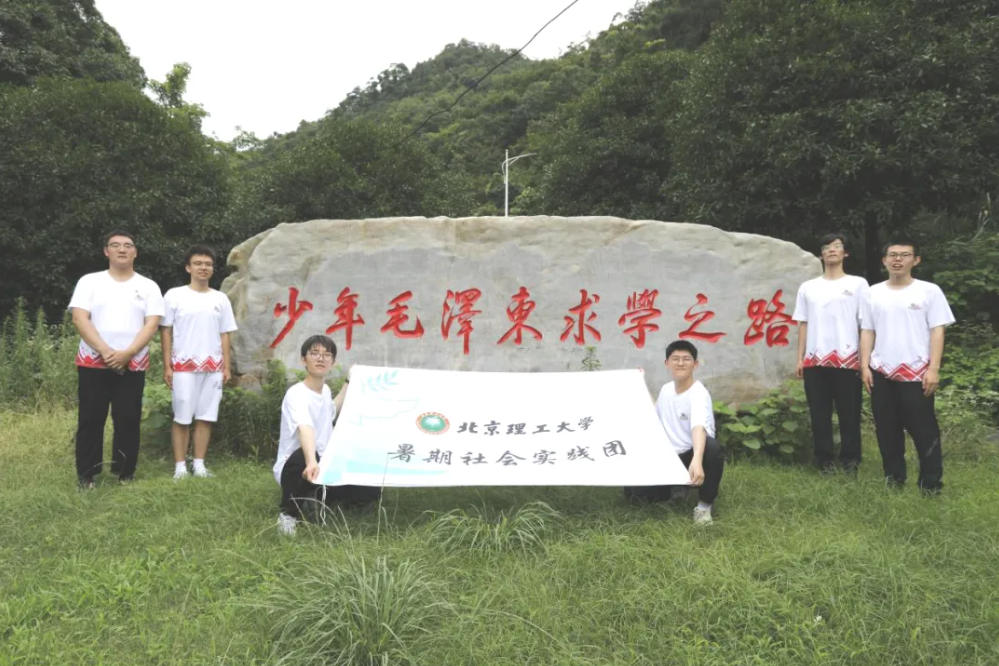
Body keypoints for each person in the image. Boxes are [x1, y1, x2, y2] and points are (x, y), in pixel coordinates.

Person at [69, 230, 164, 488]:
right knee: (91, 418)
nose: (122, 249)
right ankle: (87, 475)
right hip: (93, 360)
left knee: (128, 418)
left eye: (128, 245)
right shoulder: (89, 282)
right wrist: (105, 351)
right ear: (106, 251)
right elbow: (79, 318)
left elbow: (152, 324)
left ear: (135, 252)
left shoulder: (148, 286)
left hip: (132, 362)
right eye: (115, 245)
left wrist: (128, 353)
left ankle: (125, 473)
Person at [860, 239, 955, 492]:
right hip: (881, 371)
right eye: (892, 255)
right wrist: (864, 366)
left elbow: (937, 331)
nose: (898, 259)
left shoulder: (929, 291)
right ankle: (894, 480)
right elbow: (867, 330)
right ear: (884, 260)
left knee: (924, 430)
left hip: (916, 372)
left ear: (916, 260)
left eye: (904, 255)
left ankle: (931, 484)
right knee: (886, 430)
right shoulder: (873, 292)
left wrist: (933, 368)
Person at [275, 335, 380, 536]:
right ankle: (288, 515)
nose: (321, 358)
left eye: (327, 354)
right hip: (297, 467)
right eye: (314, 353)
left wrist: (349, 381)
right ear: (303, 360)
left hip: (324, 464)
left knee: (371, 491)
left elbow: (331, 409)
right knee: (304, 455)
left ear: (332, 362)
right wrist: (311, 462)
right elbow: (305, 428)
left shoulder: (324, 390)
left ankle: (317, 498)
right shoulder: (296, 394)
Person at [792, 232, 869, 474]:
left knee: (849, 414)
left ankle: (851, 460)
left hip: (848, 360)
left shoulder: (858, 284)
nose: (831, 250)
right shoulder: (808, 287)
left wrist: (864, 362)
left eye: (837, 246)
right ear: (821, 254)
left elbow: (865, 325)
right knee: (819, 414)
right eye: (826, 247)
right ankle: (824, 460)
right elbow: (803, 323)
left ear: (846, 252)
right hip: (815, 361)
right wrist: (800, 358)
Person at [625, 340, 724, 524]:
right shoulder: (666, 389)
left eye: (686, 359)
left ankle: (704, 507)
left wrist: (696, 460)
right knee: (635, 496)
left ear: (695, 364)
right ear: (667, 363)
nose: (680, 363)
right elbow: (656, 415)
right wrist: (641, 383)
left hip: (691, 454)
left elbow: (699, 427)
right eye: (675, 358)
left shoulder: (698, 393)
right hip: (669, 457)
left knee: (712, 449)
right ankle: (676, 488)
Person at [161, 245, 237, 480]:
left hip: (213, 368)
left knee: (206, 416)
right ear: (188, 267)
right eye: (198, 263)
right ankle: (180, 467)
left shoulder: (220, 299)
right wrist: (167, 365)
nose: (203, 268)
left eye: (208, 264)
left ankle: (200, 464)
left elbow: (225, 333)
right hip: (183, 366)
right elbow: (166, 331)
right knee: (182, 417)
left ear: (212, 269)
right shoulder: (174, 295)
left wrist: (226, 366)